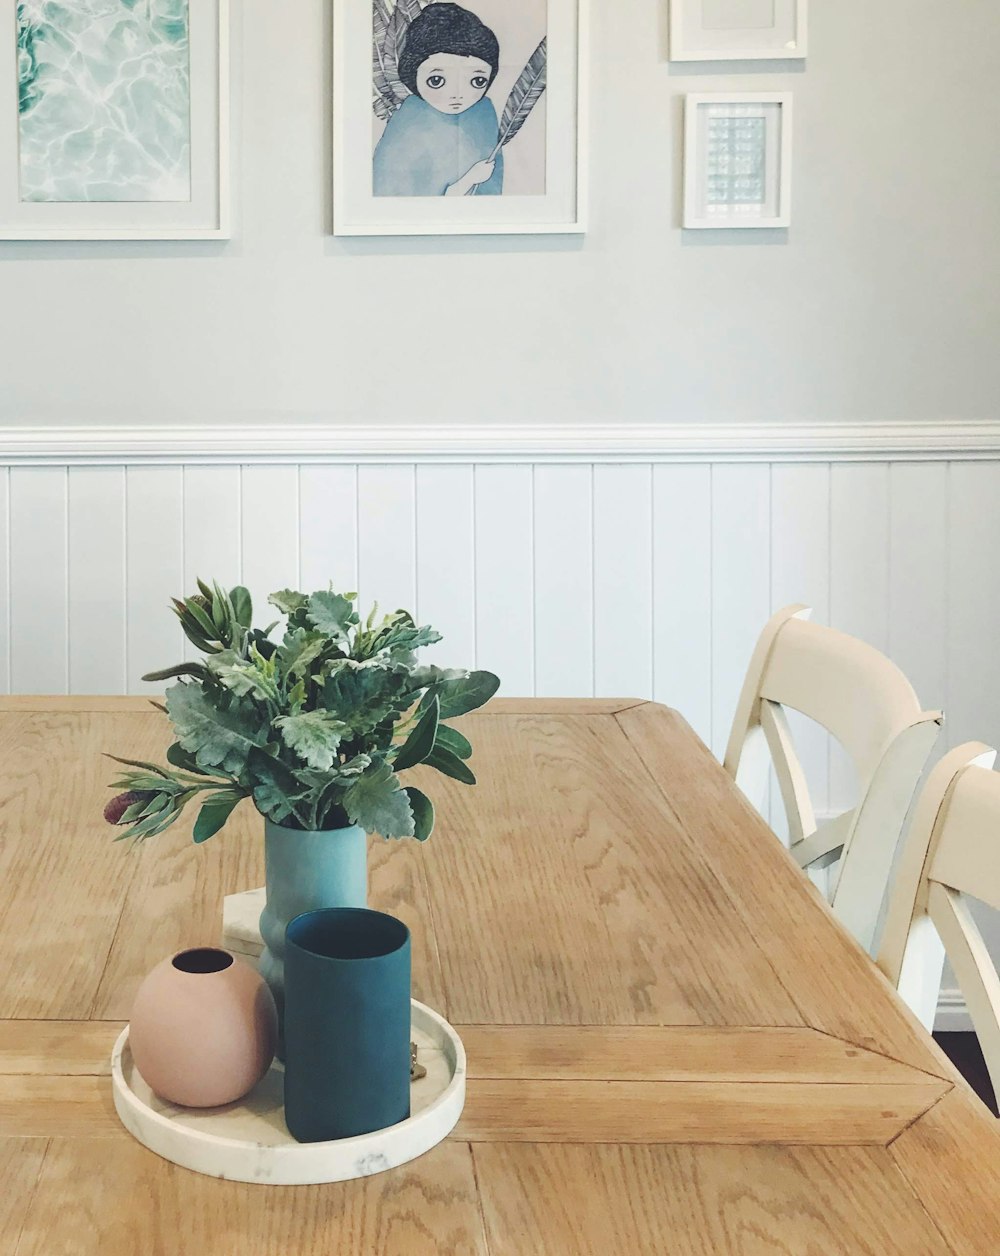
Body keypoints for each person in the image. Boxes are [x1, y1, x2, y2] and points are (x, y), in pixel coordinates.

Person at [374, 3, 504, 197]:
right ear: (413, 76)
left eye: (477, 81)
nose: (458, 95)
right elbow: (395, 199)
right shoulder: (407, 123)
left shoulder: (483, 111)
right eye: (437, 80)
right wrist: (469, 180)